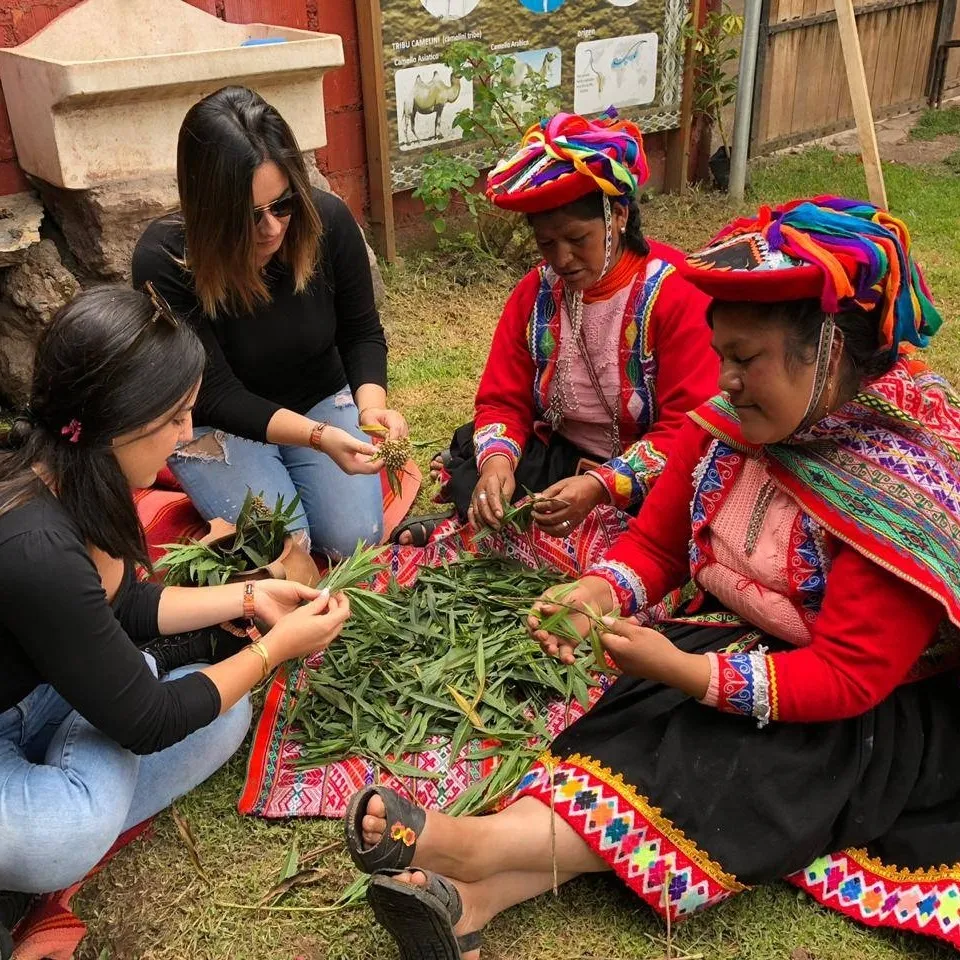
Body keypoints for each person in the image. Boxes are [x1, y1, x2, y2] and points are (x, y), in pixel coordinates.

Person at [343, 197, 960, 958]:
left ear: (827, 349)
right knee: (636, 723)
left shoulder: (898, 488)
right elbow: (660, 546)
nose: (724, 381)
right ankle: (472, 902)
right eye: (721, 355)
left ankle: (472, 851)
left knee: (723, 757)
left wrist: (693, 671)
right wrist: (599, 591)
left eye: (746, 359)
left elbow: (848, 677)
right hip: (748, 644)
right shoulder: (733, 426)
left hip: (866, 715)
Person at [0, 287, 352, 958]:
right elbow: (149, 723)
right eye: (177, 416)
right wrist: (275, 649)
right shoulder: (33, 543)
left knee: (226, 716)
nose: (187, 435)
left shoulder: (71, 481)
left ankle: (116, 700)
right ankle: (52, 834)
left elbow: (122, 605)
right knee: (70, 831)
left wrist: (250, 599)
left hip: (36, 695)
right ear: (120, 422)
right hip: (23, 721)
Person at [396, 111, 715, 546]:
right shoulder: (536, 294)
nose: (562, 258)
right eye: (547, 243)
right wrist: (497, 466)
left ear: (618, 215)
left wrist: (602, 484)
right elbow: (502, 400)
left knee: (693, 503)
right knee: (477, 459)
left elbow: (689, 425)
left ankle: (494, 531)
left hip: (652, 467)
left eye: (577, 239)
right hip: (564, 458)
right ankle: (508, 522)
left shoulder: (675, 292)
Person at [133, 86, 407, 559]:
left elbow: (361, 332)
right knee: (285, 544)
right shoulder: (164, 260)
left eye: (283, 204)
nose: (273, 228)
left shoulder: (327, 220)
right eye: (248, 215)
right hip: (217, 425)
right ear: (208, 211)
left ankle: (282, 474)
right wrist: (318, 438)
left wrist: (370, 408)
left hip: (319, 397)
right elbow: (214, 393)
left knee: (353, 540)